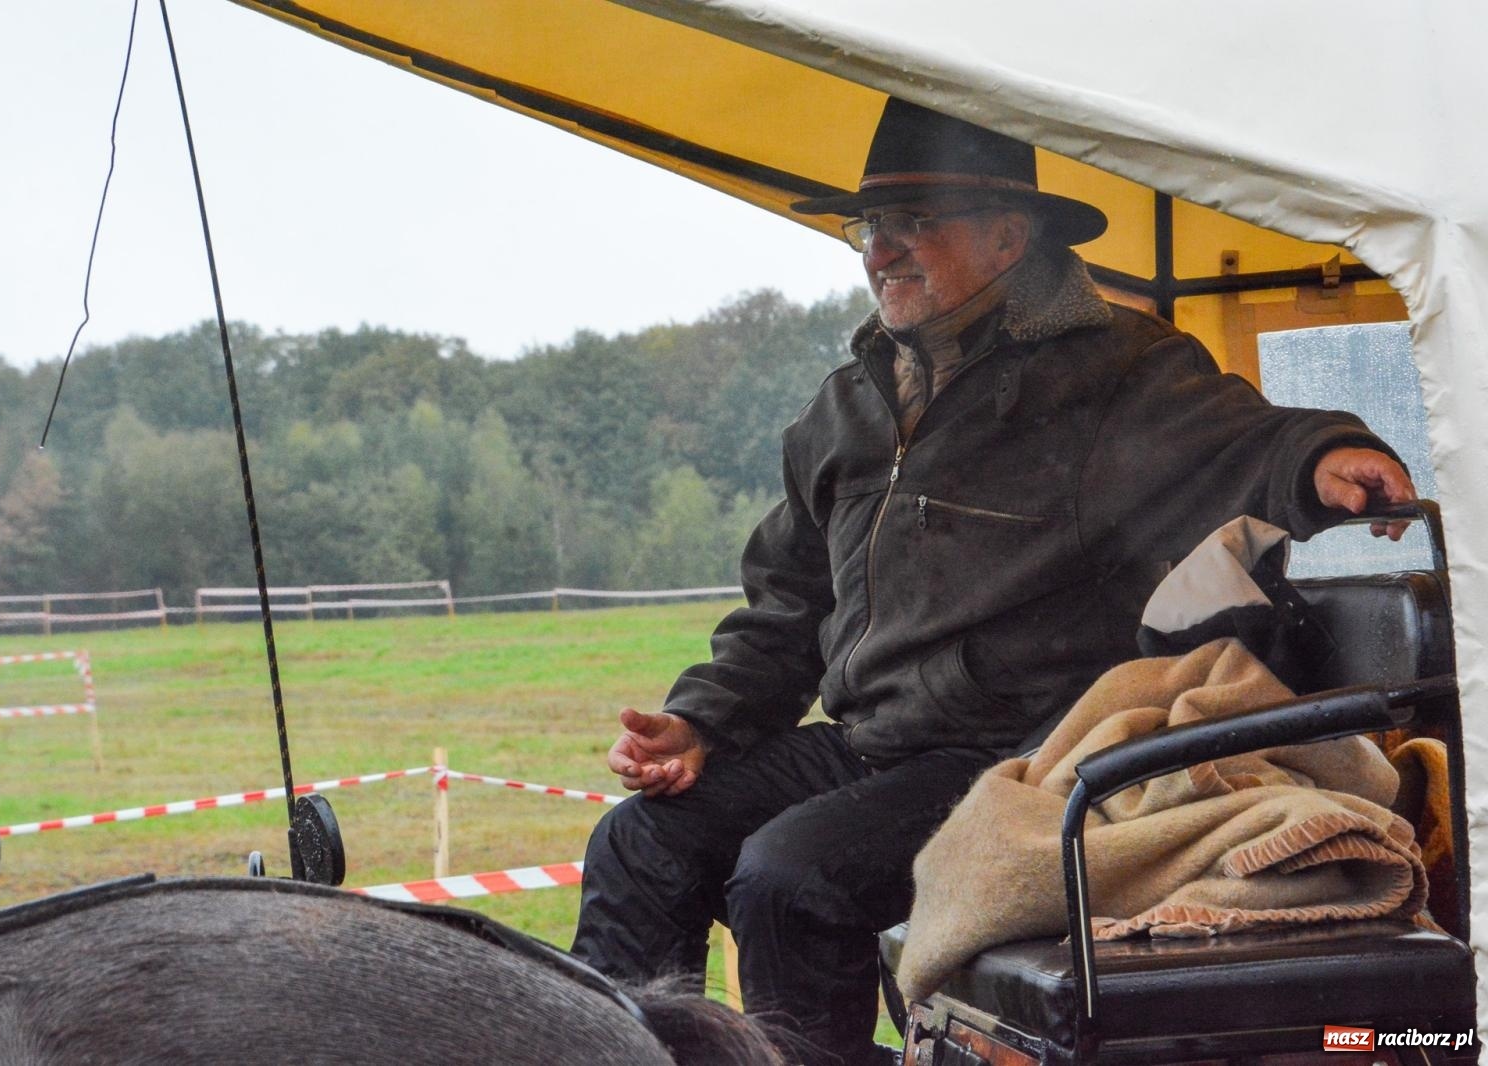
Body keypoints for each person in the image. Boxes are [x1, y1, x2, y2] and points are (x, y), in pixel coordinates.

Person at [570, 98, 1414, 1065]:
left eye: (914, 224)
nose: (880, 251)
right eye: (869, 228)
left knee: (789, 876)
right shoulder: (850, 402)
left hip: (1019, 753)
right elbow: (789, 606)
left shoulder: (1115, 372)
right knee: (641, 842)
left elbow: (1244, 441)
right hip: (872, 743)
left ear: (1011, 234)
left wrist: (1324, 457)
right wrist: (704, 722)